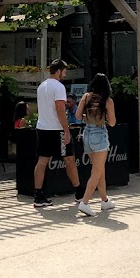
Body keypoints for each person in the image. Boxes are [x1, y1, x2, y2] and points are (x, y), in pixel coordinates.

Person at [33, 58, 84, 208]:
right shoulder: (59, 87)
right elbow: (60, 109)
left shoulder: (41, 86)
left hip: (42, 128)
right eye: (64, 71)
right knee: (69, 159)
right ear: (59, 71)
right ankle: (79, 192)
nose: (65, 74)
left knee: (42, 161)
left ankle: (38, 195)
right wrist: (66, 130)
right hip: (56, 130)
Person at [75, 73, 117, 216]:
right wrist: (102, 119)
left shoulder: (86, 97)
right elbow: (112, 122)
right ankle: (85, 202)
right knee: (97, 172)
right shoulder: (107, 101)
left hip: (87, 133)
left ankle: (104, 200)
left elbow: (77, 116)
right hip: (100, 134)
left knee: (99, 170)